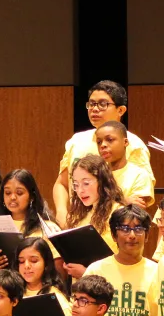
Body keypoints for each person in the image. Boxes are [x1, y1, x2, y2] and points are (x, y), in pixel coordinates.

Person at [52, 80, 153, 222]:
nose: (95, 109)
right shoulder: (76, 140)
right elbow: (62, 183)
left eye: (103, 104)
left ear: (121, 110)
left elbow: (138, 202)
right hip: (78, 223)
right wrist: (61, 212)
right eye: (91, 104)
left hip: (113, 226)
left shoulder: (134, 145)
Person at [62, 154, 126, 272]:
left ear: (102, 182)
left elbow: (125, 260)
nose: (80, 190)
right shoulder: (80, 216)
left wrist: (85, 272)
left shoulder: (119, 213)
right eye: (76, 185)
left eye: (86, 183)